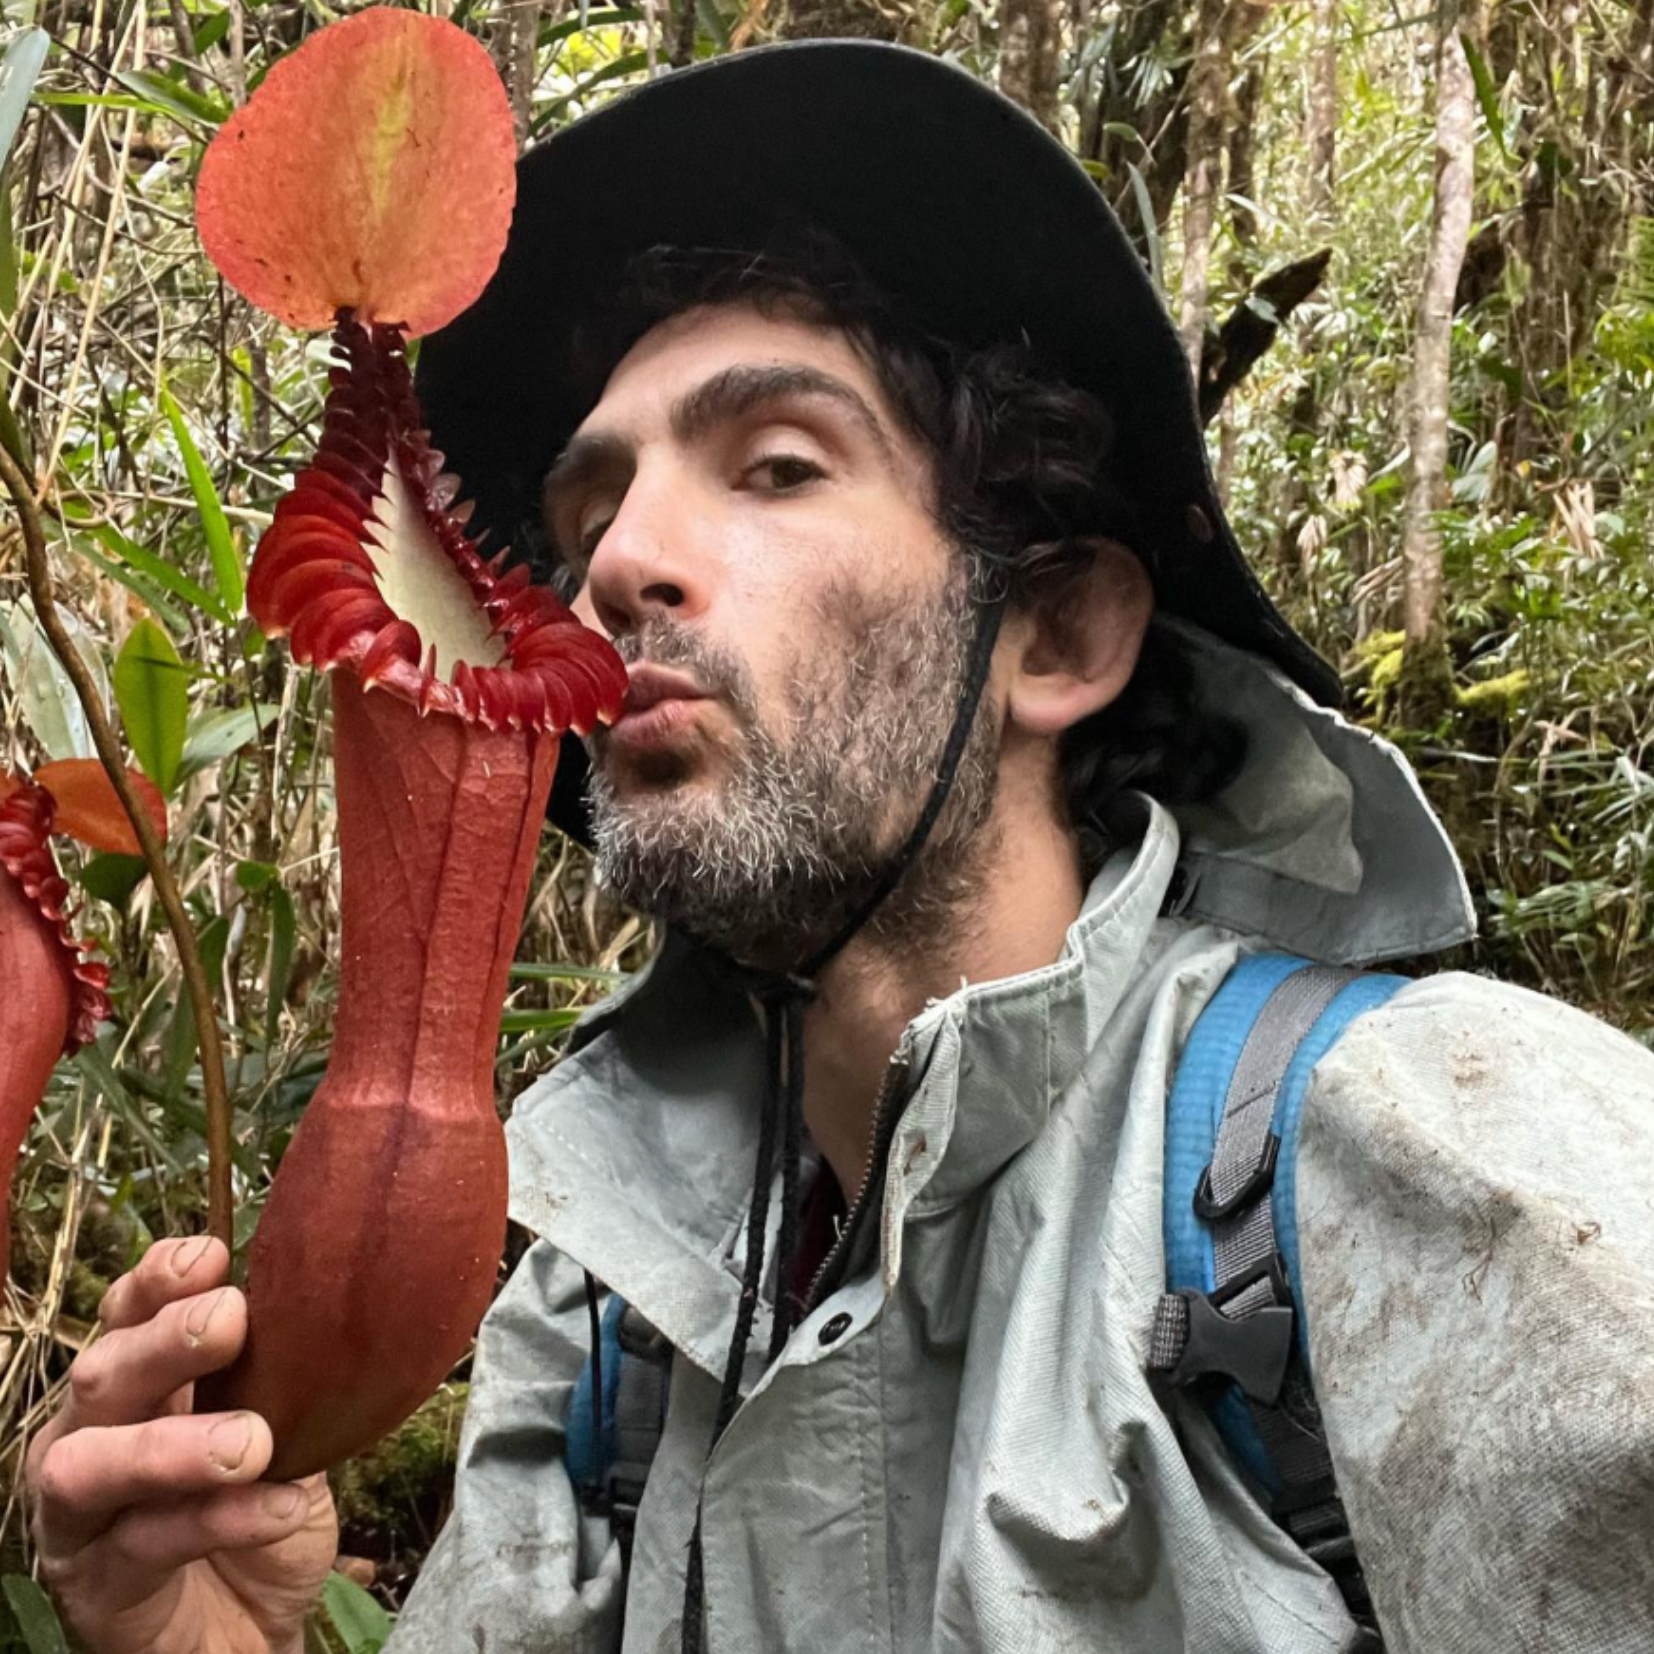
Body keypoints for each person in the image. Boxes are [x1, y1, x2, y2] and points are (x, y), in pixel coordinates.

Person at [24, 41, 1654, 1654]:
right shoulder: (599, 1319)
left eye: (775, 467)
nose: (619, 565)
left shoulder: (1407, 1148)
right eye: (586, 518)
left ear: (1056, 633)